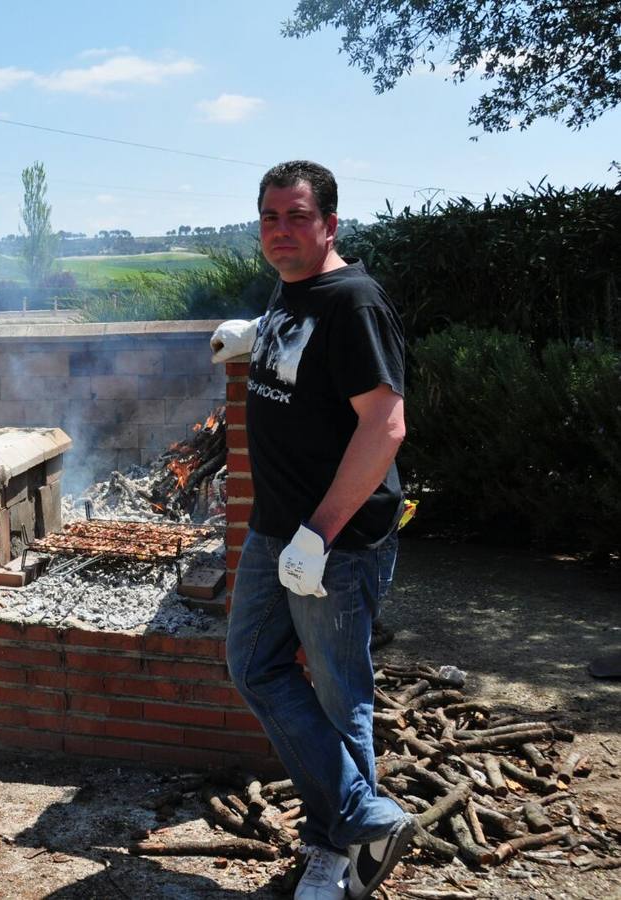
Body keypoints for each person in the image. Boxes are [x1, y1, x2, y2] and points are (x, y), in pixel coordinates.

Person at [221, 161, 414, 900]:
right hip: (278, 529)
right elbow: (306, 373)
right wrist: (253, 336)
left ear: (329, 223)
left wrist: (320, 533)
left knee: (339, 698)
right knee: (252, 665)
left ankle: (341, 854)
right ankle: (362, 815)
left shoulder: (352, 301)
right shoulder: (293, 290)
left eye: (296, 217)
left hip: (332, 541)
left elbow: (385, 425)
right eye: (268, 217)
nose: (279, 231)